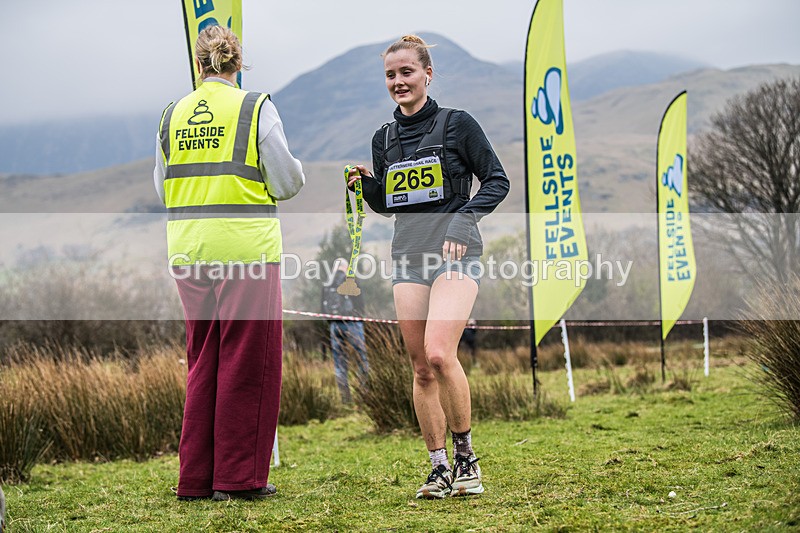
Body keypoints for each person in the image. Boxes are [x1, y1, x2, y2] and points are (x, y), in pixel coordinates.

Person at [346, 35, 509, 499]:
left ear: (427, 74)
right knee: (420, 369)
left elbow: (497, 180)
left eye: (407, 72)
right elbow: (390, 204)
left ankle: (466, 460)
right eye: (390, 75)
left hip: (456, 255)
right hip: (407, 257)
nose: (398, 82)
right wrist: (369, 187)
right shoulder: (384, 138)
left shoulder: (458, 124)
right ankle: (438, 468)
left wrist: (464, 218)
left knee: (440, 354)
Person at [154, 25, 304, 502]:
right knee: (248, 361)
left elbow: (163, 187)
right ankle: (240, 479)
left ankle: (196, 479)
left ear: (198, 65)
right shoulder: (256, 107)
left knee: (203, 358)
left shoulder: (170, 115)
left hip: (188, 250)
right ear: (239, 64)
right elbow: (285, 181)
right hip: (245, 252)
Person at [321, 258, 369, 403]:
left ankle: (345, 399)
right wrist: (360, 318)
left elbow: (322, 309)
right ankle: (364, 395)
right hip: (352, 324)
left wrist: (331, 323)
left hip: (334, 326)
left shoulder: (327, 283)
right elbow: (360, 303)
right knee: (361, 359)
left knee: (339, 362)